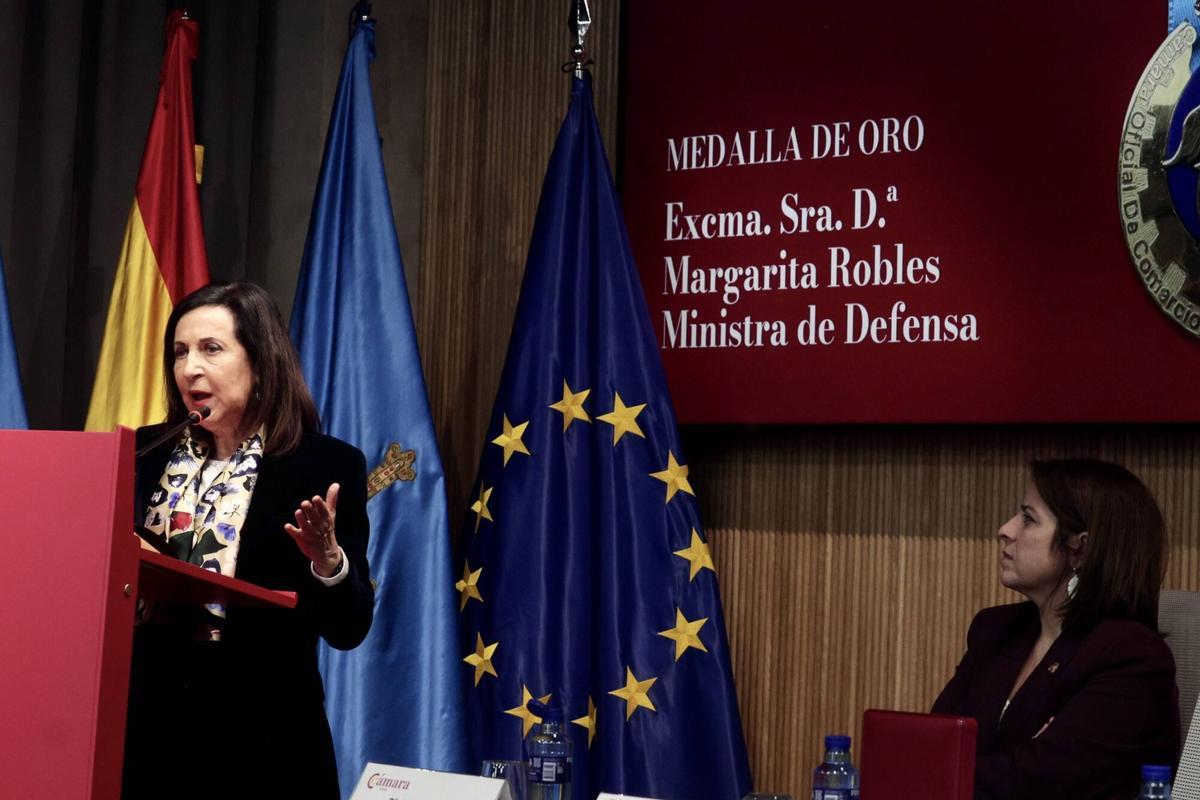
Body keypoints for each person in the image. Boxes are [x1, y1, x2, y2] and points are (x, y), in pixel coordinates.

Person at [122, 282, 374, 799]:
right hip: (148, 736)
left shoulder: (323, 465)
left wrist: (329, 561)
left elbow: (350, 628)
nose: (190, 367)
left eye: (211, 349)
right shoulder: (142, 455)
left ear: (261, 362)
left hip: (264, 743)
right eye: (180, 352)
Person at [932, 458, 1180, 800]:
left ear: (1080, 547)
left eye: (1028, 519)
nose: (1006, 529)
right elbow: (933, 748)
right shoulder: (995, 630)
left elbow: (1044, 782)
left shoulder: (1131, 656)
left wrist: (951, 773)